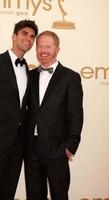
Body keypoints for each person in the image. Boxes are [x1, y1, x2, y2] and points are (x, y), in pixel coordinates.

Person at [0, 19, 38, 200]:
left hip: (18, 146)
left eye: (32, 36)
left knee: (7, 193)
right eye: (25, 34)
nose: (29, 38)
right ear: (14, 36)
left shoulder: (27, 69)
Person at [24, 31, 83, 200]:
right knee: (34, 195)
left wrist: (69, 147)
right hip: (31, 149)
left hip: (57, 149)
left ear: (57, 49)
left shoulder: (71, 77)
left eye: (48, 46)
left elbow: (76, 114)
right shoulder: (30, 75)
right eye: (40, 46)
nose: (43, 50)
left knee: (59, 195)